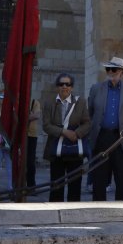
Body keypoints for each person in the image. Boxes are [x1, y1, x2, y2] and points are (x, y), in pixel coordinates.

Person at [88, 57, 123, 202]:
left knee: (122, 179)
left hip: (121, 138)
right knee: (99, 178)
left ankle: (122, 209)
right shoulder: (96, 88)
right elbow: (90, 112)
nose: (110, 72)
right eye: (108, 69)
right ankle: (98, 209)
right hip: (101, 137)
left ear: (122, 72)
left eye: (114, 69)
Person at [44, 72, 90, 202]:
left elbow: (87, 122)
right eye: (61, 84)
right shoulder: (49, 103)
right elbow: (46, 125)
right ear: (57, 86)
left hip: (74, 148)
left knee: (75, 185)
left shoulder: (80, 102)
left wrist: (77, 133)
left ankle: (73, 212)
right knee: (56, 184)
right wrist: (64, 132)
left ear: (72, 87)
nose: (65, 86)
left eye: (68, 84)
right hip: (56, 149)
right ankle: (54, 211)